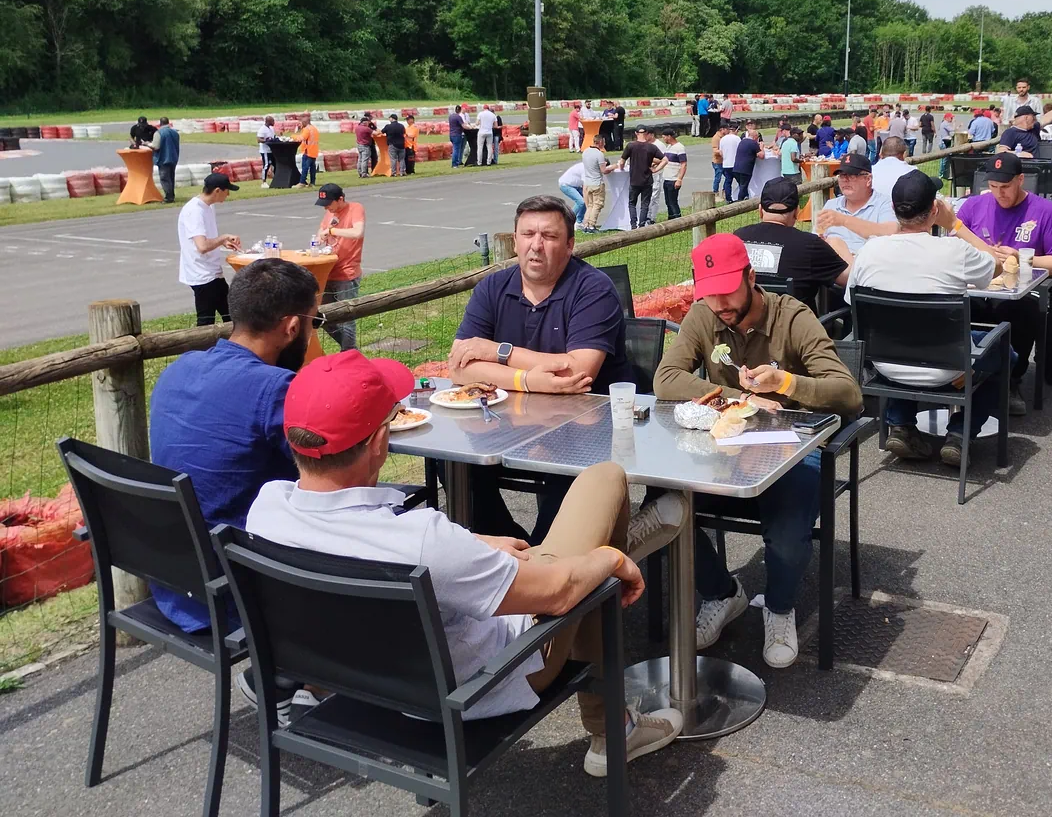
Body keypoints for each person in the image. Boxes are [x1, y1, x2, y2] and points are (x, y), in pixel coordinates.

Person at [248, 349, 684, 777]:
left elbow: (368, 539)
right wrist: (609, 558)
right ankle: (613, 726)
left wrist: (469, 544)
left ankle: (615, 723)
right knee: (604, 482)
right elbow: (558, 594)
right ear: (381, 442)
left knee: (563, 561)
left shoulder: (266, 513)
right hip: (487, 681)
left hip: (365, 684)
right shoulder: (423, 543)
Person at [654, 233, 863, 668]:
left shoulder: (793, 317)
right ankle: (722, 594)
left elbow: (848, 394)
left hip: (790, 444)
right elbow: (666, 377)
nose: (721, 304)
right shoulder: (703, 315)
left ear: (751, 277)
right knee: (662, 506)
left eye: (729, 290)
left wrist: (786, 383)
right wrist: (736, 396)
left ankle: (780, 608)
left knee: (787, 530)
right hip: (726, 447)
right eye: (710, 294)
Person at [149, 258, 317, 717]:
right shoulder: (274, 388)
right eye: (313, 322)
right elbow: (329, 476)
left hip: (174, 579)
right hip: (233, 592)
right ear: (290, 327)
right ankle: (286, 680)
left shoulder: (180, 368)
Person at [448, 195, 634, 542]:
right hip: (513, 419)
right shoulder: (492, 287)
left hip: (587, 426)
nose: (536, 245)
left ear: (569, 245)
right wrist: (529, 379)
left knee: (560, 508)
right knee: (455, 465)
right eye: (528, 234)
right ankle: (512, 548)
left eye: (548, 236)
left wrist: (496, 352)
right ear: (514, 240)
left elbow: (578, 372)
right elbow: (460, 367)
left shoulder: (593, 289)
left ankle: (547, 559)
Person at [849, 170, 1005, 463]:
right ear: (934, 209)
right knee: (1005, 352)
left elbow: (852, 303)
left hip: (886, 365)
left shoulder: (869, 251)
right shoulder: (954, 250)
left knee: (902, 330)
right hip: (947, 369)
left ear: (894, 210)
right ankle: (961, 434)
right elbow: (995, 265)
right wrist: (955, 224)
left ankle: (901, 423)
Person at [956, 152, 1052, 415]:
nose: (999, 194)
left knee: (1019, 310)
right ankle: (960, 372)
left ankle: (1010, 379)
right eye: (993, 187)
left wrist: (1021, 258)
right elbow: (955, 245)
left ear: (1021, 180)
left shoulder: (1045, 211)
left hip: (1021, 290)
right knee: (950, 303)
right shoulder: (973, 206)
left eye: (1005, 187)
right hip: (977, 286)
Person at [732, 178, 849, 308]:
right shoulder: (810, 244)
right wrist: (840, 247)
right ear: (796, 212)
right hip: (795, 326)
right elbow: (851, 278)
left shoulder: (737, 238)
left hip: (746, 325)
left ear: (760, 210)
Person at [178, 172, 242, 326]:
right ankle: (201, 349)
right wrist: (223, 238)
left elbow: (207, 240)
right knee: (206, 322)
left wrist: (223, 242)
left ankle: (230, 346)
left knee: (232, 316)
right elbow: (202, 246)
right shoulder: (194, 211)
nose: (228, 195)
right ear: (217, 191)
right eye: (227, 191)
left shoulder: (208, 207)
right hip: (201, 274)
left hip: (212, 273)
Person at [814, 152, 897, 269]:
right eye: (842, 176)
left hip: (869, 269)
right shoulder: (831, 205)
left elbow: (892, 232)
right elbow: (816, 237)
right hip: (831, 270)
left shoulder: (884, 203)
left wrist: (843, 220)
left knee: (835, 243)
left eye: (852, 176)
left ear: (868, 179)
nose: (845, 180)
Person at [315, 183, 365, 351]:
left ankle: (348, 353)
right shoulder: (329, 214)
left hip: (347, 271)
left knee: (347, 316)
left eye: (329, 204)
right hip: (328, 271)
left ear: (340, 199)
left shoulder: (355, 209)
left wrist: (332, 232)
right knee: (323, 316)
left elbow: (357, 232)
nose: (326, 208)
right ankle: (351, 349)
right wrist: (319, 240)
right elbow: (321, 231)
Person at [620, 125, 666, 228]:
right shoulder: (651, 147)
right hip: (647, 179)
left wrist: (622, 167)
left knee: (632, 203)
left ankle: (633, 224)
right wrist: (655, 169)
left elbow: (622, 161)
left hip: (634, 179)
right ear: (646, 134)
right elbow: (665, 160)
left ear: (636, 133)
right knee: (645, 204)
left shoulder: (630, 146)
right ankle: (641, 224)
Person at [579, 135, 614, 233]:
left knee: (590, 205)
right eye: (603, 142)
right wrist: (613, 167)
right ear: (599, 142)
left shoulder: (585, 152)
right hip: (597, 183)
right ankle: (591, 225)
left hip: (588, 183)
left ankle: (586, 224)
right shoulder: (599, 154)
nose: (605, 144)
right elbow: (604, 170)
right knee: (597, 205)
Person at [870, 136, 913, 202]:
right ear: (904, 154)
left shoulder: (869, 172)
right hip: (901, 209)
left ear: (880, 154)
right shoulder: (912, 172)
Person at [658, 126, 687, 220]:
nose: (664, 139)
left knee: (673, 201)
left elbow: (683, 164)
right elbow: (664, 160)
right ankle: (671, 219)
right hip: (667, 178)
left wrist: (679, 179)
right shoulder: (669, 147)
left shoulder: (679, 147)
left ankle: (678, 220)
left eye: (664, 137)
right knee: (668, 201)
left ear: (669, 136)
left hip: (674, 179)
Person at [148, 116, 180, 203]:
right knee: (171, 177)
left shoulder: (158, 133)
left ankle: (168, 197)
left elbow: (156, 146)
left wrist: (148, 144)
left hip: (163, 158)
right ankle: (171, 195)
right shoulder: (175, 132)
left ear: (160, 123)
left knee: (164, 179)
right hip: (173, 157)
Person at [731, 123, 763, 200]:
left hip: (736, 168)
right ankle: (740, 201)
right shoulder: (753, 143)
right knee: (743, 186)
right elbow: (761, 156)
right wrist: (761, 147)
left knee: (742, 185)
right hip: (745, 169)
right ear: (755, 137)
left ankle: (746, 197)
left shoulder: (742, 141)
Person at [558, 159, 588, 227]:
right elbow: (585, 186)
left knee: (586, 201)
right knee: (581, 202)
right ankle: (568, 221)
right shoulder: (584, 169)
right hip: (566, 185)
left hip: (575, 185)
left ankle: (579, 222)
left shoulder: (587, 165)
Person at [718, 123, 742, 202]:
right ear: (736, 130)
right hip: (735, 163)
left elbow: (721, 152)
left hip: (726, 163)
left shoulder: (723, 139)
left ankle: (728, 198)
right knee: (741, 182)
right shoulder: (737, 139)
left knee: (728, 181)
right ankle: (741, 196)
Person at [297, 117, 321, 186]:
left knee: (305, 167)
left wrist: (293, 137)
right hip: (314, 151)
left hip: (308, 151)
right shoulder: (314, 129)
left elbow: (301, 138)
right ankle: (312, 182)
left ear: (305, 122)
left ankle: (302, 182)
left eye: (302, 122)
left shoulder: (307, 129)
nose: (301, 124)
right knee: (312, 168)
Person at [257, 116, 277, 180]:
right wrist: (267, 141)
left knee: (276, 164)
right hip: (265, 151)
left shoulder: (271, 128)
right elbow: (259, 140)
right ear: (268, 121)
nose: (274, 122)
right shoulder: (262, 129)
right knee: (266, 165)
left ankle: (276, 179)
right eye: (272, 121)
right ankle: (264, 181)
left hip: (272, 150)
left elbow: (273, 137)